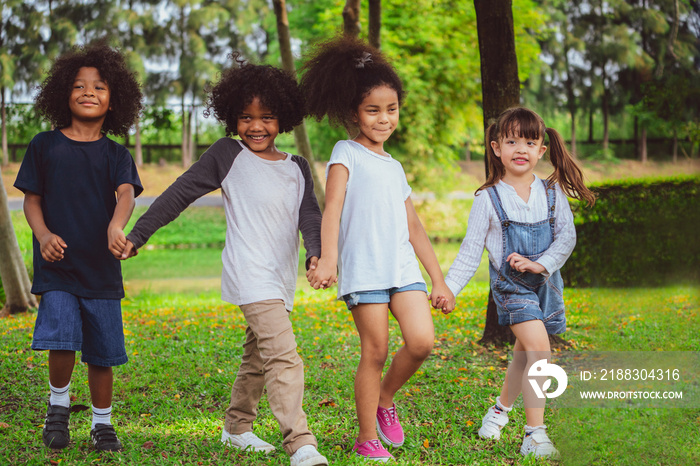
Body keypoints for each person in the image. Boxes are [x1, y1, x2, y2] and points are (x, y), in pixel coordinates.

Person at [120, 55, 328, 466]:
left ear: (282, 118)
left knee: (258, 356)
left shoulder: (298, 167)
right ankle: (301, 443)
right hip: (249, 274)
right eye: (245, 117)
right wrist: (138, 235)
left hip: (279, 277)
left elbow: (310, 216)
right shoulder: (226, 154)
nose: (256, 126)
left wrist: (316, 254)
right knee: (283, 355)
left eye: (267, 117)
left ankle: (236, 427)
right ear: (231, 118)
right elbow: (178, 194)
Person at [301, 36, 455, 462]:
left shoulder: (394, 165)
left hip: (402, 268)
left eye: (391, 109)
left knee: (422, 342)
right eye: (373, 110)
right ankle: (366, 436)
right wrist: (328, 258)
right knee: (377, 350)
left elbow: (414, 226)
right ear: (354, 112)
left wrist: (437, 278)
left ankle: (385, 398)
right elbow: (331, 210)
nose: (384, 118)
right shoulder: (344, 153)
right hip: (364, 270)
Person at [443, 107, 596, 459]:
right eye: (512, 141)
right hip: (512, 289)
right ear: (497, 148)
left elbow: (566, 239)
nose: (520, 149)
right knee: (540, 351)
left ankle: (499, 410)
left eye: (529, 141)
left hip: (545, 285)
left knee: (524, 357)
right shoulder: (488, 198)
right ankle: (534, 434)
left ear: (542, 149)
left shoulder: (552, 193)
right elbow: (469, 252)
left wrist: (538, 263)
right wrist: (449, 288)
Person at [13, 43, 144, 452]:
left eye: (100, 87)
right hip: (59, 267)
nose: (89, 92)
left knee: (103, 352)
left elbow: (126, 194)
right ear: (62, 94)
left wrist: (116, 226)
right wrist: (44, 235)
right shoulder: (44, 145)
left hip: (102, 269)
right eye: (79, 85)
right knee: (62, 338)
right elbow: (30, 199)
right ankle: (58, 410)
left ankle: (102, 425)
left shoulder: (117, 154)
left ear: (114, 99)